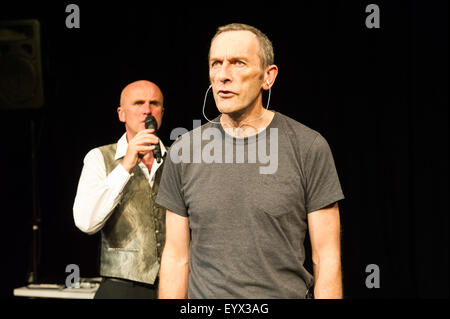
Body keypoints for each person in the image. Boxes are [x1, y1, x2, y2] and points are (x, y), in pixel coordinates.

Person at [155, 24, 345, 299]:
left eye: (238, 63)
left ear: (268, 77)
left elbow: (326, 258)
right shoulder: (184, 151)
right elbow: (175, 258)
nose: (223, 75)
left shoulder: (308, 147)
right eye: (216, 64)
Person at [73, 80, 167, 299]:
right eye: (138, 103)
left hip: (174, 285)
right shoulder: (99, 158)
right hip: (122, 288)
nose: (147, 110)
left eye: (154, 103)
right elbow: (86, 222)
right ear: (121, 114)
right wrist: (126, 164)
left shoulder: (177, 161)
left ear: (161, 112)